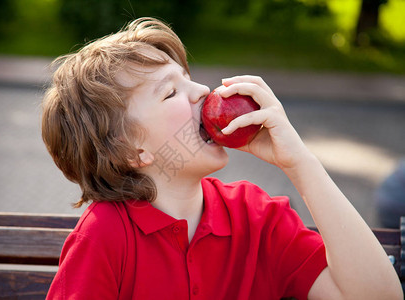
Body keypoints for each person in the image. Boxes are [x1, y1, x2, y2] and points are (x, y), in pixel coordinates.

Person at [41, 17, 402, 299]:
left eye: (189, 78)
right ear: (130, 150)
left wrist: (300, 163)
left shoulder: (256, 217)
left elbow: (377, 295)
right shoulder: (106, 237)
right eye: (171, 93)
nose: (202, 91)